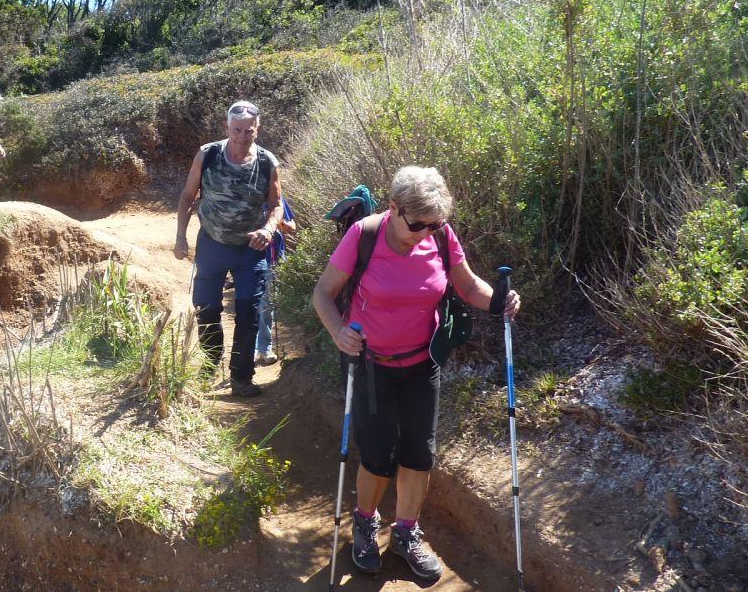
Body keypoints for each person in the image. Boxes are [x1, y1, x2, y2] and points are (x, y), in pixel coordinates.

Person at [311, 166, 521, 580]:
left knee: (419, 454)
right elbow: (323, 293)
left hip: (422, 363)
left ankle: (406, 532)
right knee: (377, 454)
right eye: (418, 224)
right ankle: (366, 522)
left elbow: (466, 285)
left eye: (435, 224)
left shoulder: (441, 235)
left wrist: (498, 301)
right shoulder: (365, 236)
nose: (426, 232)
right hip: (370, 364)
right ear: (393, 208)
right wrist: (338, 333)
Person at [174, 100, 283, 397]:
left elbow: (276, 206)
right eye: (237, 130)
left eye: (248, 130)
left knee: (248, 311)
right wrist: (181, 236)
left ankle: (241, 377)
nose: (242, 136)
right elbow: (187, 196)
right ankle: (210, 365)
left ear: (257, 130)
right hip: (212, 244)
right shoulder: (208, 154)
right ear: (227, 128)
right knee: (207, 307)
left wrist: (268, 230)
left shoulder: (266, 162)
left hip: (250, 250)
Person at [255, 196, 296, 366]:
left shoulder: (278, 200)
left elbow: (292, 226)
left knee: (267, 305)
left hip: (274, 259)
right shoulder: (246, 195)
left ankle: (264, 348)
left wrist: (282, 225)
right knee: (252, 304)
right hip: (251, 259)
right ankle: (252, 349)